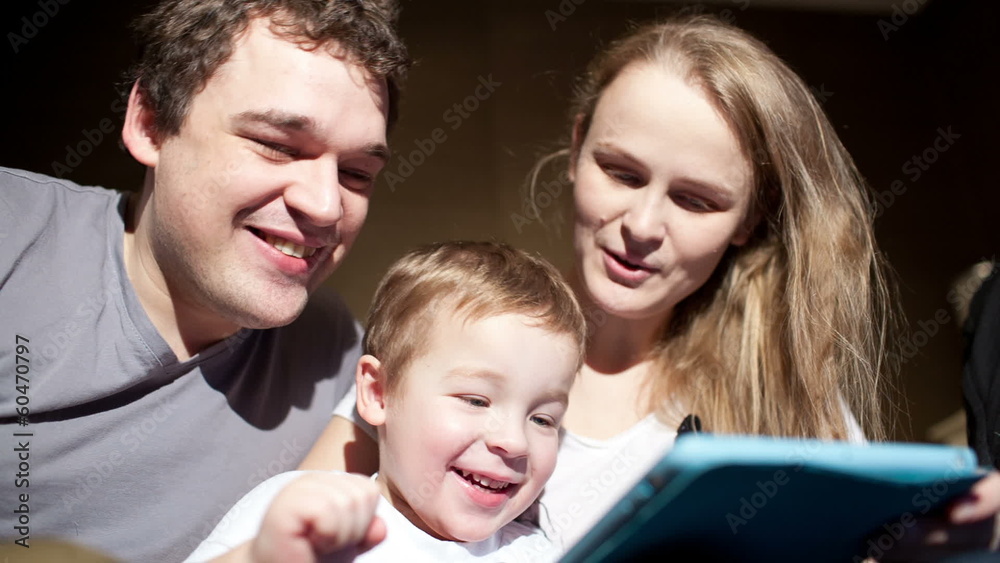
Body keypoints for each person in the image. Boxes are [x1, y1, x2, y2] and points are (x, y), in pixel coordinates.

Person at [298, 14, 1000, 558]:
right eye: (622, 172)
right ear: (576, 150)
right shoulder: (447, 339)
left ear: (750, 220)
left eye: (695, 201)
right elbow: (282, 534)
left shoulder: (789, 396)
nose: (640, 225)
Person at [0, 0, 407, 560]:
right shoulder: (14, 238)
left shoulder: (345, 366)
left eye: (357, 173)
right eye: (277, 145)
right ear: (150, 124)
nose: (325, 205)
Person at [185, 241, 586, 562]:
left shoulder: (537, 552)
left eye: (543, 419)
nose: (514, 442)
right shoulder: (306, 515)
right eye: (477, 401)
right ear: (378, 393)